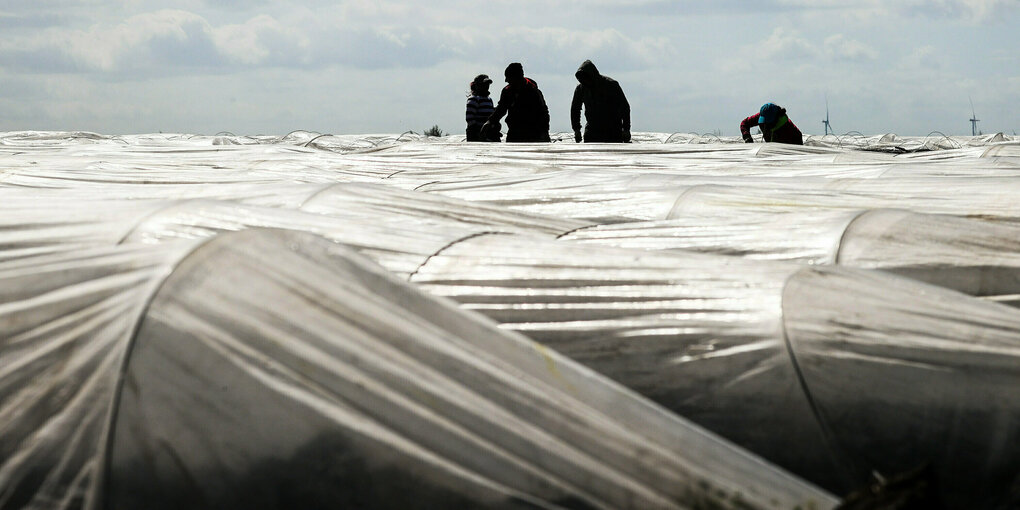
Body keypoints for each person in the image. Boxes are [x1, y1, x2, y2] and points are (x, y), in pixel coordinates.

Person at [481, 63, 550, 143]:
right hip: (514, 132)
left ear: (517, 77)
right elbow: (501, 109)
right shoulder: (507, 91)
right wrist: (489, 121)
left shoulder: (534, 91)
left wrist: (545, 132)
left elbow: (544, 113)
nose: (506, 80)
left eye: (508, 77)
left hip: (534, 133)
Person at [570, 60, 631, 143]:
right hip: (592, 131)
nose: (585, 82)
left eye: (586, 78)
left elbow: (625, 107)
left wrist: (626, 129)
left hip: (613, 132)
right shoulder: (581, 89)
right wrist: (576, 130)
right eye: (582, 79)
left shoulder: (611, 85)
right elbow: (575, 110)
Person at [465, 74, 499, 142]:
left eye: (487, 84)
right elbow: (470, 118)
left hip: (488, 132)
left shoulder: (489, 99)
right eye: (484, 84)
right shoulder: (474, 99)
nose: (486, 86)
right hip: (476, 134)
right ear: (477, 86)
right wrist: (478, 132)